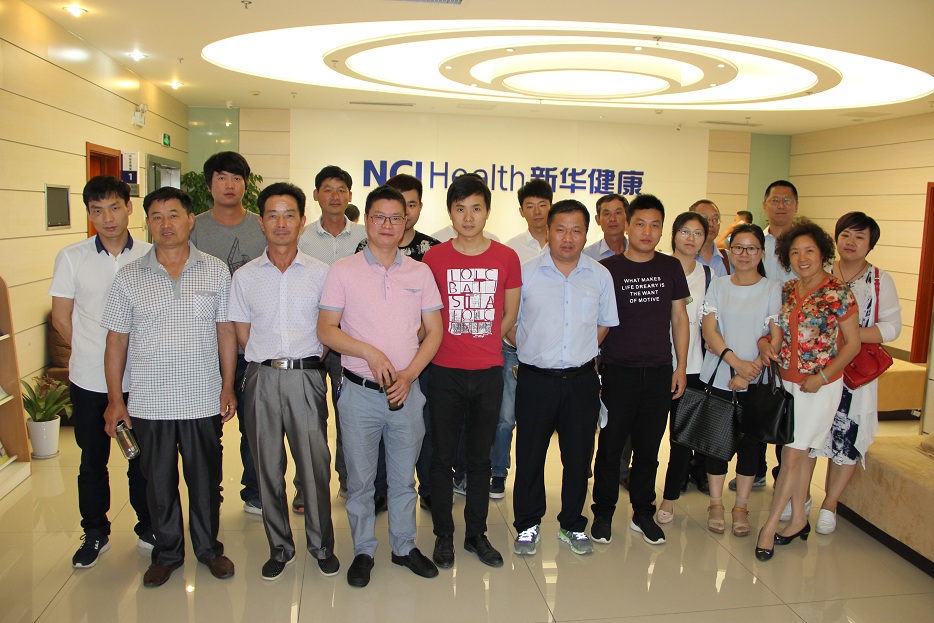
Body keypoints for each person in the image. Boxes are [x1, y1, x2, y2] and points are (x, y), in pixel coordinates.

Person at [101, 186, 237, 588]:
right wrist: (115, 400)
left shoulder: (216, 270)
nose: (166, 224)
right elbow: (116, 341)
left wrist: (228, 386)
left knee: (205, 481)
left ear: (190, 220)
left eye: (174, 215)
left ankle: (209, 549)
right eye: (157, 217)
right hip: (149, 402)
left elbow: (226, 332)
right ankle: (167, 554)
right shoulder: (129, 277)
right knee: (158, 484)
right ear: (147, 222)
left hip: (202, 397)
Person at [318, 185, 443, 588]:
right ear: (367, 221)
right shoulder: (343, 271)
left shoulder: (420, 272)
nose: (387, 225)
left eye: (396, 217)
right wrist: (369, 353)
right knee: (360, 481)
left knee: (404, 479)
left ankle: (404, 547)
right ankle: (363, 550)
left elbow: (435, 331)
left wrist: (409, 376)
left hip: (407, 392)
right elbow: (326, 330)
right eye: (379, 217)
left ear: (406, 222)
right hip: (359, 393)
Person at [228, 182, 339, 580]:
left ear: (301, 220)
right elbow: (242, 333)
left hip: (307, 377)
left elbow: (331, 328)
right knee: (267, 468)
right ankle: (280, 548)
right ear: (261, 222)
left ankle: (321, 546)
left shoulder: (322, 274)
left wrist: (307, 364)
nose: (280, 223)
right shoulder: (245, 276)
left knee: (314, 467)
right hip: (261, 377)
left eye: (288, 215)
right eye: (272, 215)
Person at [49, 176, 154, 569]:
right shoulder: (71, 257)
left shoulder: (150, 254)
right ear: (89, 214)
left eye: (114, 208)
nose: (107, 218)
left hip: (141, 379)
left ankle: (149, 526)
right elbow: (61, 318)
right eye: (97, 210)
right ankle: (95, 531)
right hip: (89, 379)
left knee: (142, 459)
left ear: (129, 207)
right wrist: (93, 351)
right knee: (92, 460)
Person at [423, 173, 521, 569]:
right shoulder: (434, 258)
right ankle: (443, 535)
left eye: (476, 208)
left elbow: (510, 312)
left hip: (488, 371)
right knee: (442, 457)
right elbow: (427, 314)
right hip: (444, 371)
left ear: (487, 212)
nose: (468, 217)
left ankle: (476, 535)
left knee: (480, 459)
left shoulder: (506, 258)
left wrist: (486, 340)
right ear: (450, 213)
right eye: (460, 209)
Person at [511, 200, 618, 557]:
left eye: (576, 230)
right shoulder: (525, 273)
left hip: (581, 381)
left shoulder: (600, 275)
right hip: (535, 380)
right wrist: (533, 348)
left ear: (587, 234)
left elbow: (603, 324)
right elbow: (509, 324)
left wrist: (576, 352)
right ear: (548, 231)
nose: (568, 238)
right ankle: (527, 524)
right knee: (530, 456)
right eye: (560, 229)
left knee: (578, 457)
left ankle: (572, 524)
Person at [755, 219, 861, 561]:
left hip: (818, 387)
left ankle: (770, 526)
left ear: (822, 253)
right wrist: (764, 343)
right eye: (795, 252)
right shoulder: (787, 289)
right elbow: (776, 332)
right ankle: (799, 519)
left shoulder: (838, 292)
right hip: (787, 382)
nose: (802, 258)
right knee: (797, 454)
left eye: (809, 251)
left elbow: (853, 345)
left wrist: (824, 376)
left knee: (792, 454)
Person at [590, 194, 690, 547]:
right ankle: (603, 512)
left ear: (662, 230)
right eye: (641, 224)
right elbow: (597, 322)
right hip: (618, 370)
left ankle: (642, 513)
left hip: (659, 370)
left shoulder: (670, 267)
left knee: (649, 449)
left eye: (655, 225)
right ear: (628, 226)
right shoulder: (607, 269)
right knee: (610, 447)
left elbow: (680, 318)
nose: (647, 232)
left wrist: (681, 367)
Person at [189, 151, 267, 516]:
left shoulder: (261, 225)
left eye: (236, 178)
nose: (229, 185)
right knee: (208, 429)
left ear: (246, 184)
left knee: (255, 426)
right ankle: (210, 494)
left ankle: (255, 492)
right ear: (209, 185)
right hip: (206, 346)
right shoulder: (194, 227)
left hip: (254, 346)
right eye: (221, 177)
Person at [813, 212, 901, 534]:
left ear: (870, 244)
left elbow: (892, 328)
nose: (851, 242)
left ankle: (829, 504)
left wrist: (850, 335)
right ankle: (799, 498)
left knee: (845, 437)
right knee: (809, 436)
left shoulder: (879, 280)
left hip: (853, 374)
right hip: (815, 369)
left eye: (859, 237)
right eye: (846, 235)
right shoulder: (820, 272)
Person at [699, 224, 781, 536]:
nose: (744, 254)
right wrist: (737, 366)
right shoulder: (718, 285)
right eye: (738, 248)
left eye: (751, 248)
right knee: (716, 445)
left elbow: (776, 336)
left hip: (756, 381)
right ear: (730, 251)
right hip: (720, 375)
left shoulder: (772, 289)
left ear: (761, 253)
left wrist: (751, 372)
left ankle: (741, 506)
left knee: (751, 445)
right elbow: (709, 330)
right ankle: (716, 503)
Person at [298, 165, 367, 507]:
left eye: (341, 189)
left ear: (350, 195)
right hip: (309, 339)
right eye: (327, 189)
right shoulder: (302, 238)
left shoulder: (365, 237)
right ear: (316, 195)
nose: (335, 196)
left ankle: (349, 480)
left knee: (347, 417)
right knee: (309, 420)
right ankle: (306, 487)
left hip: (350, 340)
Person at [488, 178, 552, 499]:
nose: (537, 211)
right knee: (505, 417)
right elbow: (500, 298)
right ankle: (498, 472)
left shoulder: (563, 244)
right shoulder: (510, 248)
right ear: (521, 211)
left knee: (540, 420)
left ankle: (533, 477)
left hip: (549, 349)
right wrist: (512, 335)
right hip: (512, 344)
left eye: (542, 205)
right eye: (530, 206)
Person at [655, 211, 713, 526]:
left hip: (693, 367)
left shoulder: (709, 275)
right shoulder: (659, 267)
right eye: (685, 231)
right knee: (649, 435)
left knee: (682, 439)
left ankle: (669, 498)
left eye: (698, 233)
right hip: (656, 362)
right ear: (674, 234)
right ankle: (643, 491)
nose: (691, 239)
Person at [690, 200, 731, 277]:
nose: (711, 224)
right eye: (705, 219)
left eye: (715, 219)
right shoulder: (683, 258)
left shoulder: (730, 259)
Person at [583, 194, 628, 260]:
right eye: (607, 214)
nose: (612, 219)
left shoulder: (639, 251)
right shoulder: (586, 255)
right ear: (598, 220)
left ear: (628, 217)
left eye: (618, 213)